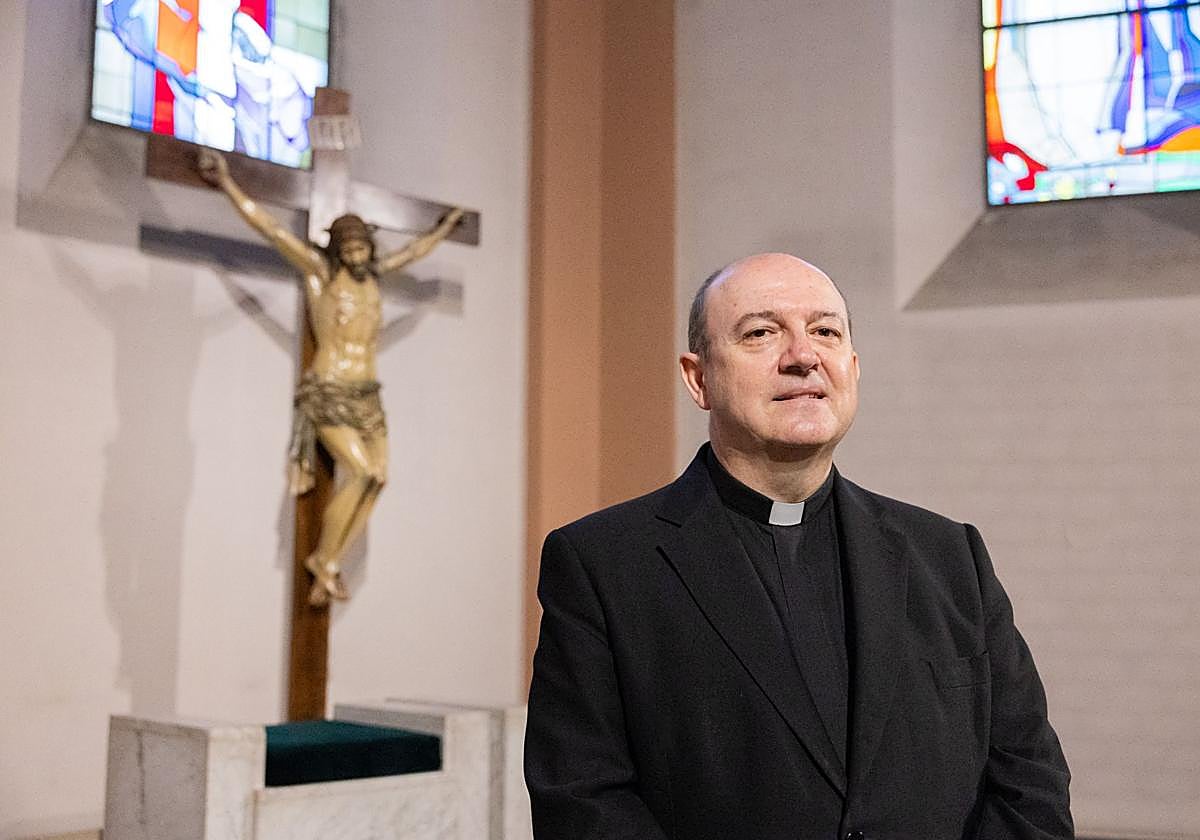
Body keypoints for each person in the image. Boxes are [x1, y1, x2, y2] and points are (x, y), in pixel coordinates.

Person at [524, 253, 1072, 839]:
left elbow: (1027, 779)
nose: (803, 357)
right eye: (761, 333)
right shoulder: (604, 565)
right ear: (698, 377)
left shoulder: (948, 555)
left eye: (825, 332)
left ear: (852, 368)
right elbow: (584, 803)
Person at [197, 148, 463, 605]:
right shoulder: (321, 275)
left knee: (379, 476)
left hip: (368, 394)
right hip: (329, 389)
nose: (358, 255)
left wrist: (442, 227)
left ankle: (330, 562)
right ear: (337, 250)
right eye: (350, 249)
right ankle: (323, 559)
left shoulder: (376, 276)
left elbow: (414, 250)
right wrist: (227, 185)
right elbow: (271, 228)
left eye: (363, 247)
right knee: (359, 470)